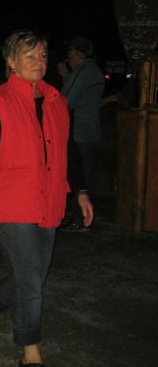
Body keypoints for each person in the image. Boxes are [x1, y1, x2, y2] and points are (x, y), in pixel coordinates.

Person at [0, 30, 93, 367]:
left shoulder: (56, 101)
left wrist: (81, 192)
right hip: (8, 201)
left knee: (32, 276)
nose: (38, 61)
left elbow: (68, 150)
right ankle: (30, 354)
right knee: (31, 282)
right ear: (11, 61)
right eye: (29, 55)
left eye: (43, 55)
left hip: (47, 200)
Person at [57, 36, 104, 230]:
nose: (68, 55)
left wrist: (64, 74)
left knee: (76, 174)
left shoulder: (82, 70)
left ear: (76, 53)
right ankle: (80, 217)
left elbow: (65, 101)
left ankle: (77, 218)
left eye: (70, 51)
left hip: (79, 132)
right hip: (90, 129)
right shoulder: (94, 70)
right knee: (85, 173)